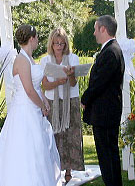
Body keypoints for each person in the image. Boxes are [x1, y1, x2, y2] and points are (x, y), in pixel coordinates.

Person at [0, 24, 61, 186]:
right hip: (25, 111)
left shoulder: (30, 59)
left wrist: (44, 99)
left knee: (38, 152)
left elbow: (36, 86)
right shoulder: (21, 60)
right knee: (25, 151)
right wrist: (42, 107)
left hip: (34, 110)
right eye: (36, 38)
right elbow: (28, 90)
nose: (38, 41)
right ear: (31, 39)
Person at [81, 15, 125, 186]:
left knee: (107, 157)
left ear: (103, 29)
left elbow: (99, 83)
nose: (93, 33)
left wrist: (85, 99)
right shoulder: (112, 49)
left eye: (95, 29)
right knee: (109, 156)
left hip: (105, 114)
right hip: (107, 113)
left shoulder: (110, 52)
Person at [40, 27, 85, 184]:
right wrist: (58, 82)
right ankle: (54, 169)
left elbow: (73, 83)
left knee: (70, 134)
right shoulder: (45, 60)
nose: (59, 46)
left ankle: (68, 170)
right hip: (52, 101)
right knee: (54, 135)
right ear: (51, 44)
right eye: (56, 43)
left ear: (66, 44)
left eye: (62, 43)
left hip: (70, 101)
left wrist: (71, 75)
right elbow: (44, 85)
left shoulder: (73, 58)